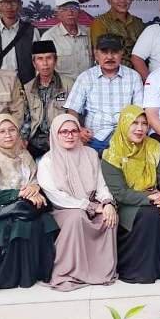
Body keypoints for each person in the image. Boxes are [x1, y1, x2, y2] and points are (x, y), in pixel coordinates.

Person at [0, 114, 59, 292]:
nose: (8, 135)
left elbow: (34, 181)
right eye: (2, 131)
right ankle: (18, 275)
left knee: (43, 219)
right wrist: (20, 194)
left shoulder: (23, 154)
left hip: (24, 205)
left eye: (12, 130)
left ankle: (38, 273)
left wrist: (34, 188)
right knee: (21, 223)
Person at [37, 114, 118, 291]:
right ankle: (70, 272)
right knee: (77, 217)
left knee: (109, 217)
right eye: (64, 132)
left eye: (74, 131)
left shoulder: (90, 154)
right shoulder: (47, 161)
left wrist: (107, 203)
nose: (70, 135)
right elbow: (55, 195)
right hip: (62, 209)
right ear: (55, 134)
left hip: (91, 204)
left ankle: (99, 272)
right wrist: (88, 206)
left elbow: (101, 183)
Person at [101, 105, 160, 283]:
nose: (140, 128)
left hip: (154, 195)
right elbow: (120, 193)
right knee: (150, 214)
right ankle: (141, 271)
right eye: (134, 123)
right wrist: (149, 198)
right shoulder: (112, 153)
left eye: (144, 124)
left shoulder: (153, 147)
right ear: (124, 124)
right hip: (127, 204)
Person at [65, 33, 143, 155]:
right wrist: (79, 129)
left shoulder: (133, 77)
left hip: (126, 138)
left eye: (114, 52)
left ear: (122, 53)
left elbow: (139, 112)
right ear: (96, 54)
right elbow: (72, 110)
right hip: (93, 138)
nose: (110, 57)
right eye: (104, 52)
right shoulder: (86, 77)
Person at [21, 40, 74, 159]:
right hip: (35, 142)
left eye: (49, 58)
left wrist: (62, 136)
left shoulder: (69, 85)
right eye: (40, 59)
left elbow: (73, 116)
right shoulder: (28, 88)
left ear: (55, 60)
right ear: (34, 63)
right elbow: (27, 118)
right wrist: (23, 139)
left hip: (61, 139)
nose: (45, 63)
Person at [90, 0, 146, 68]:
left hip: (138, 71)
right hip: (113, 71)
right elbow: (101, 54)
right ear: (108, 0)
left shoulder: (138, 22)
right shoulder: (100, 22)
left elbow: (145, 51)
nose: (123, 0)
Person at [41, 0, 92, 80]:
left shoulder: (89, 33)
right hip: (62, 87)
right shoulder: (48, 37)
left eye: (74, 8)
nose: (70, 12)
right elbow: (42, 70)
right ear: (58, 13)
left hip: (88, 85)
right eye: (64, 9)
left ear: (79, 11)